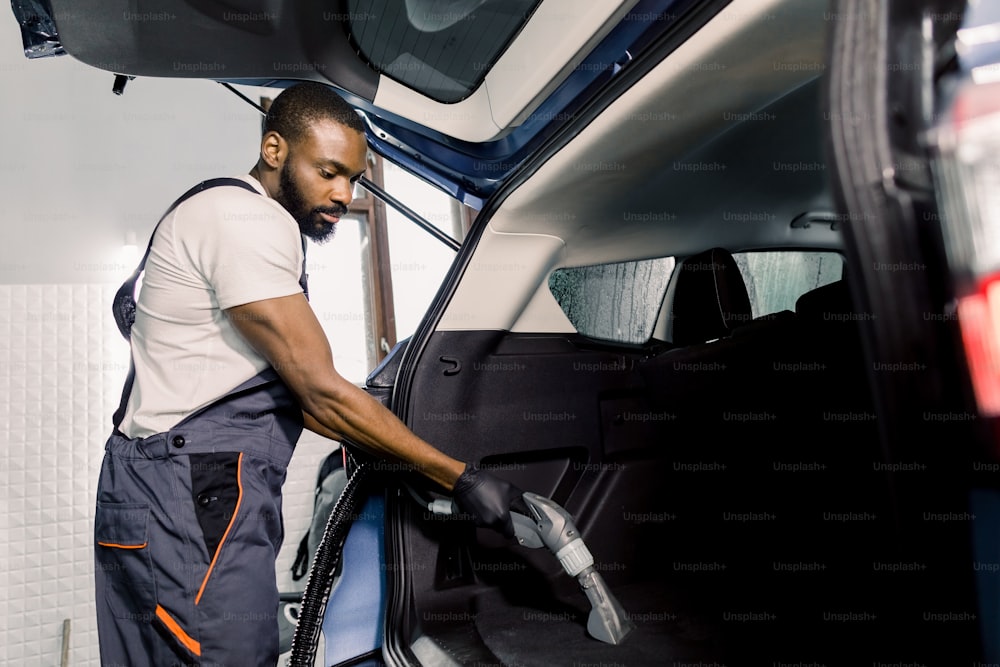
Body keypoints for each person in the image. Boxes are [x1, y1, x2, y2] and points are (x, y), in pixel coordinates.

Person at [93, 81, 524, 667]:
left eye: (353, 178)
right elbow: (320, 393)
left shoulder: (216, 212)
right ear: (275, 149)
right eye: (327, 171)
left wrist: (391, 450)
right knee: (232, 655)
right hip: (192, 498)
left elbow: (276, 394)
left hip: (146, 489)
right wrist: (460, 477)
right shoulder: (246, 218)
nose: (344, 193)